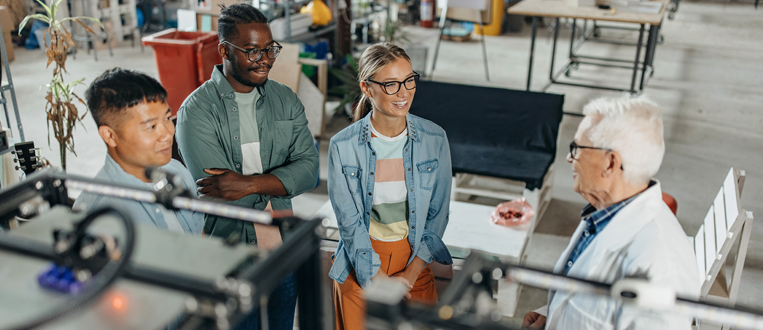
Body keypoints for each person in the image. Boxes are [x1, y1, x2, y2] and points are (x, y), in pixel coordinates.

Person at [175, 4, 319, 330]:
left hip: (283, 250)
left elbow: (310, 170)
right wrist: (281, 179)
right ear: (224, 50)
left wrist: (250, 183)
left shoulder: (285, 99)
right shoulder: (196, 111)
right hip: (230, 259)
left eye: (270, 49)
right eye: (253, 51)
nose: (265, 59)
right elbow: (223, 192)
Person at [522, 96, 699, 330]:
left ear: (610, 163)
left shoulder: (660, 268)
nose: (569, 158)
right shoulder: (604, 212)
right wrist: (552, 316)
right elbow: (594, 311)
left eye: (576, 148)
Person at [328, 43, 453, 329]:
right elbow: (349, 223)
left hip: (415, 263)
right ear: (367, 87)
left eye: (409, 80)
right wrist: (377, 278)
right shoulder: (342, 147)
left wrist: (410, 275)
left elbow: (438, 213)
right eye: (391, 84)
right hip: (360, 262)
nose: (404, 92)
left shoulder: (435, 139)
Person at [74, 68, 203, 235]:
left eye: (166, 119)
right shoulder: (96, 213)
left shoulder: (178, 173)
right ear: (110, 136)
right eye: (151, 126)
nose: (167, 134)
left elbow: (200, 237)